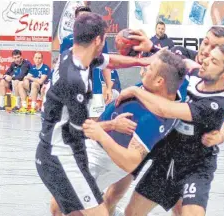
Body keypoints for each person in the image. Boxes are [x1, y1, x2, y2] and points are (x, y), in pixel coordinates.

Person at [35, 13, 153, 216]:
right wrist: (113, 125)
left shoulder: (74, 54)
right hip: (60, 156)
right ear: (98, 40)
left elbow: (110, 61)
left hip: (59, 152)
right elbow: (84, 129)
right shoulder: (74, 81)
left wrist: (144, 62)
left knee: (64, 210)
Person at [116, 45, 224, 216]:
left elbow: (165, 109)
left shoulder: (216, 104)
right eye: (208, 56)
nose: (205, 61)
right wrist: (150, 47)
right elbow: (173, 61)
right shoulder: (192, 74)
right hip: (167, 158)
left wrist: (134, 90)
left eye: (213, 61)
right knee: (131, 213)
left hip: (195, 167)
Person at [60, 5, 114, 118]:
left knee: (96, 125)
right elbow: (61, 66)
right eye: (81, 18)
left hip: (95, 89)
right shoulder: (67, 41)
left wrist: (109, 87)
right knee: (75, 126)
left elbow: (106, 64)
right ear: (75, 21)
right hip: (73, 91)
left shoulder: (99, 40)